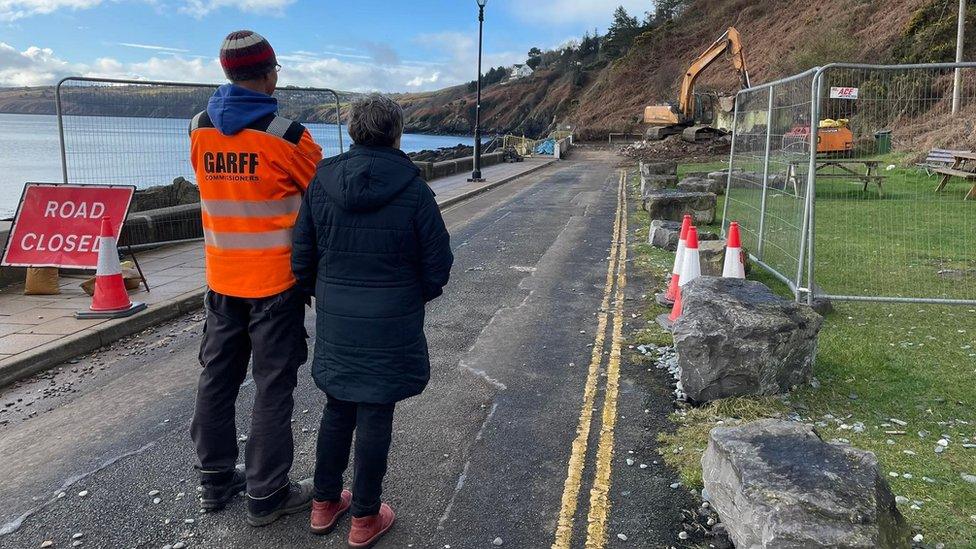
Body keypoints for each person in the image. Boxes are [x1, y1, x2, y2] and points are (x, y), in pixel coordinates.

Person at [291, 94, 453, 547]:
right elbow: (438, 264)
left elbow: (301, 258)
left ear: (353, 132)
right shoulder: (415, 189)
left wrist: (323, 295)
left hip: (338, 320)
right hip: (391, 322)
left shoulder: (321, 184)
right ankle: (364, 517)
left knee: (338, 406)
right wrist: (409, 297)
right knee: (376, 411)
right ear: (396, 133)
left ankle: (324, 504)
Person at [188, 30, 323, 526]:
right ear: (268, 72)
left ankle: (215, 479)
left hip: (221, 279)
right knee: (272, 385)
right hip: (274, 283)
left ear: (227, 72)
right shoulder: (287, 134)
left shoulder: (198, 127)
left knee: (216, 379)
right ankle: (267, 493)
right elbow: (320, 195)